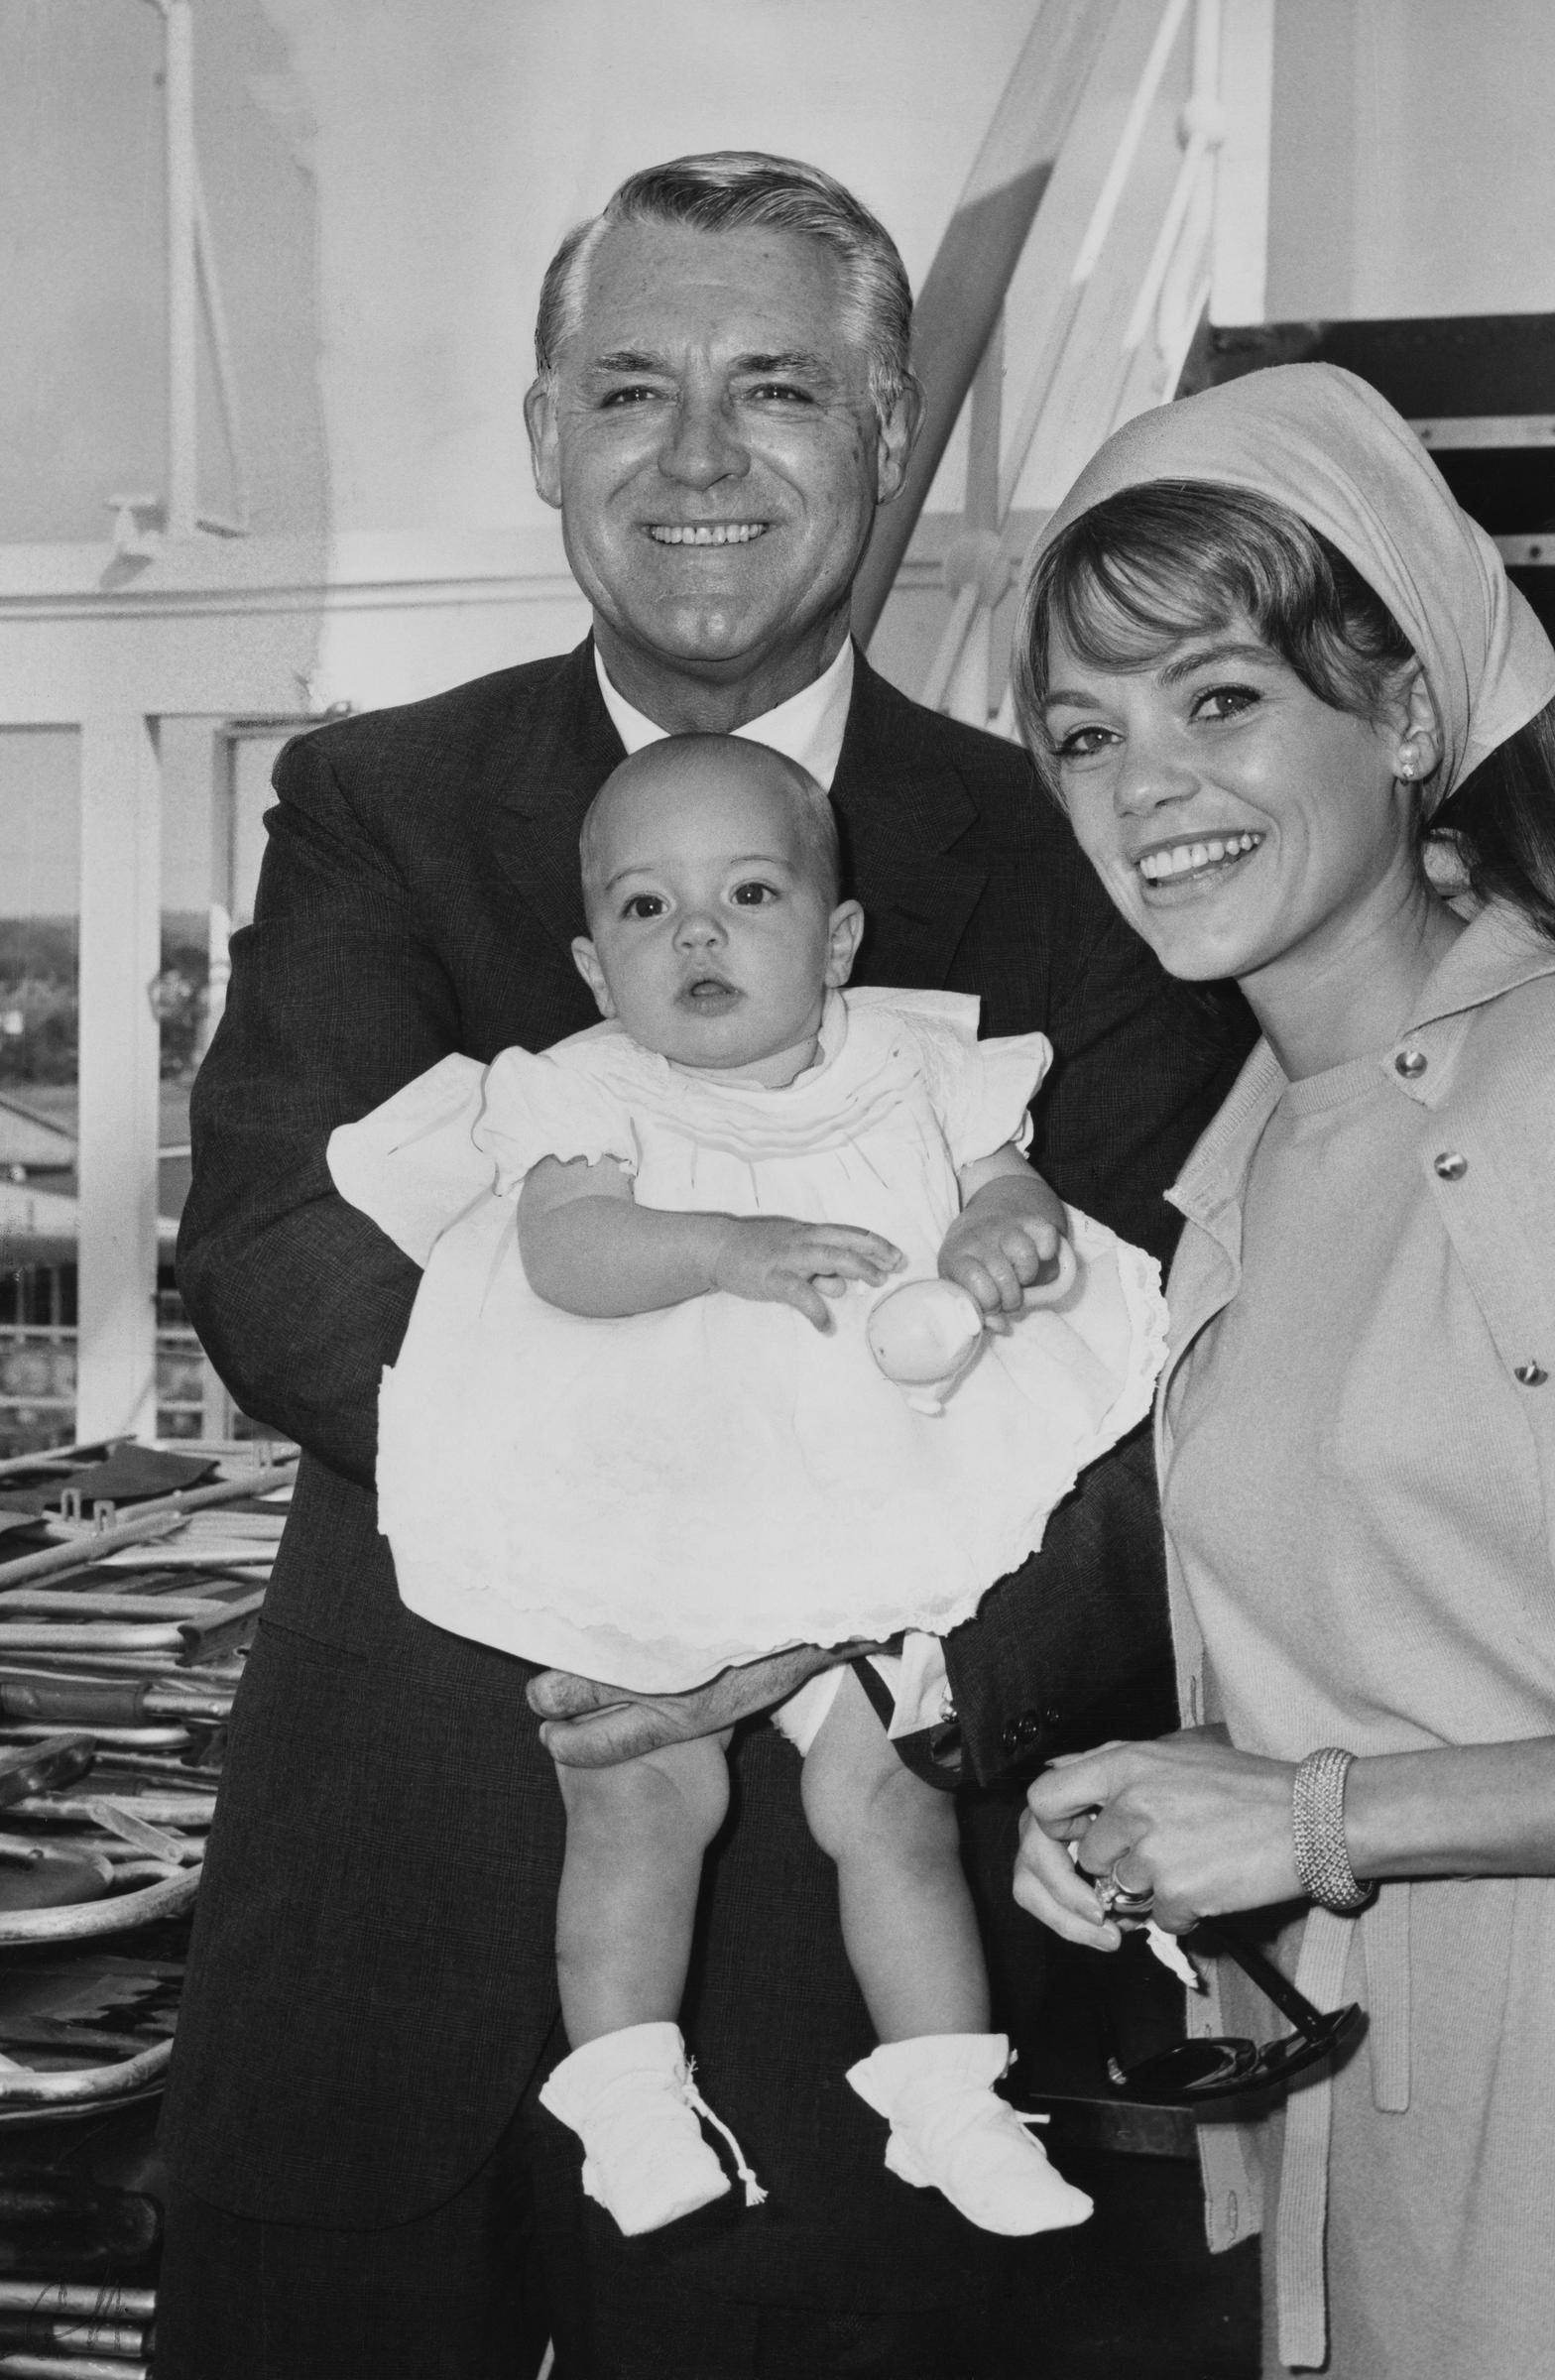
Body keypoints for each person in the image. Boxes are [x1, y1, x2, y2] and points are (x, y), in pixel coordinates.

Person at [159, 153, 1252, 2380]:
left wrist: (866, 1651)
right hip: (385, 1912)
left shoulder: (1071, 853)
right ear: (546, 430)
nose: (695, 459)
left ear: (884, 429)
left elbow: (1146, 1361)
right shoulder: (384, 802)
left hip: (858, 1975)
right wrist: (632, 1526)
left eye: (775, 388)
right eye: (629, 388)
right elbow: (278, 1243)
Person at [1009, 362, 1555, 2378]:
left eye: (1217, 698)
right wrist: (1168, 1824)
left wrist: (1310, 1822)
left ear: (1406, 713)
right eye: (1084, 734)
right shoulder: (1265, 1137)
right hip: (1392, 2110)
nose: (1143, 787)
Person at [327, 735, 1165, 2240]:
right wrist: (723, 1247)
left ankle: (948, 2101)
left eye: (749, 894)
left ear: (837, 937)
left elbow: (1007, 1179)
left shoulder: (918, 1066)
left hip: (865, 1504)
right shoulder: (586, 1092)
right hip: (660, 1507)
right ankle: (629, 2094)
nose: (696, 935)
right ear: (593, 965)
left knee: (891, 1802)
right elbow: (565, 1252)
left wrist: (1008, 1229)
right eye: (645, 911)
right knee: (641, 1793)